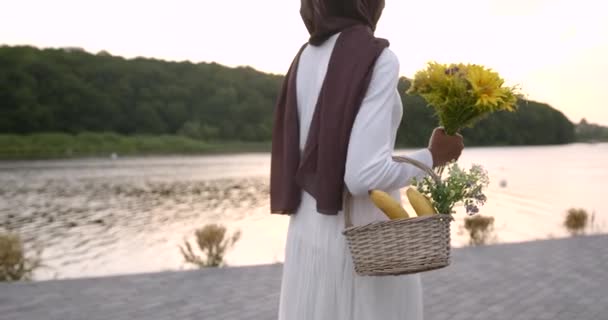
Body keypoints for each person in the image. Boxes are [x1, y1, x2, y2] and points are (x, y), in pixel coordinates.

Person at [270, 0, 464, 319]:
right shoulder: (377, 58)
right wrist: (433, 156)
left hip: (308, 235)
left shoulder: (303, 58)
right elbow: (363, 176)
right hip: (365, 245)